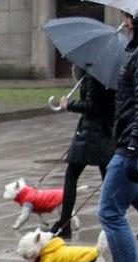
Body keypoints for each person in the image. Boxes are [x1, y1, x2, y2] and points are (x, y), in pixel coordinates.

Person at [93, 13, 138, 262]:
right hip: (132, 145)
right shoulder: (136, 52)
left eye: (129, 19)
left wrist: (134, 147)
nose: (124, 24)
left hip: (132, 148)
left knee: (110, 212)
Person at [50, 67, 115, 240]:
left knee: (72, 175)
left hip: (92, 134)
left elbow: (92, 106)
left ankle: (64, 224)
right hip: (102, 133)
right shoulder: (102, 74)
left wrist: (68, 104)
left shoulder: (94, 76)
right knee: (111, 180)